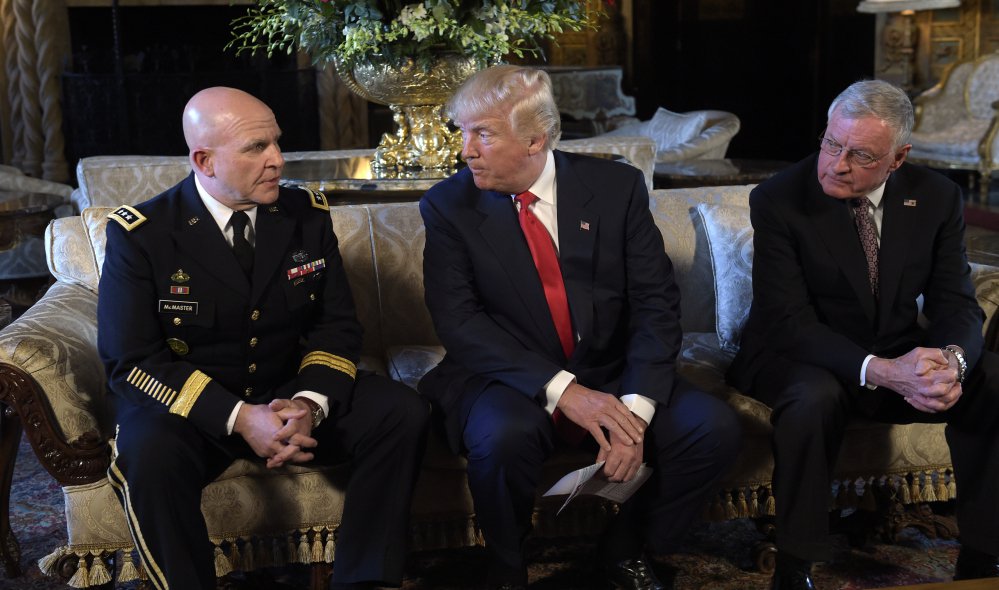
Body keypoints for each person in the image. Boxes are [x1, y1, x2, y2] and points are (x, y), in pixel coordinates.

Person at [419, 65, 740, 590]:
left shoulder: (615, 189)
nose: (465, 150)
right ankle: (507, 564)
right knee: (502, 437)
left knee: (712, 429)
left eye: (483, 133)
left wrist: (632, 415)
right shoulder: (449, 205)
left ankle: (628, 546)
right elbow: (460, 323)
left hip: (612, 368)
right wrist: (564, 391)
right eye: (462, 132)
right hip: (508, 376)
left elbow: (656, 303)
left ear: (535, 139)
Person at [97, 86, 429, 590]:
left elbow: (335, 327)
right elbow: (131, 361)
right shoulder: (143, 234)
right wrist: (238, 417)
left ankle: (365, 580)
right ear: (204, 160)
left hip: (285, 392)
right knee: (148, 451)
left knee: (402, 411)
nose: (276, 159)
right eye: (256, 148)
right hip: (196, 412)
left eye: (276, 143)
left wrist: (309, 403)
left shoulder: (306, 216)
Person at [727, 79, 999, 589]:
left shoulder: (937, 197)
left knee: (992, 380)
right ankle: (796, 562)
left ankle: (984, 556)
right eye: (831, 143)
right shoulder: (780, 199)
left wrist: (950, 363)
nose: (836, 163)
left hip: (892, 349)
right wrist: (883, 371)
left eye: (860, 154)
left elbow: (955, 302)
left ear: (898, 158)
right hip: (796, 352)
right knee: (814, 395)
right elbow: (787, 319)